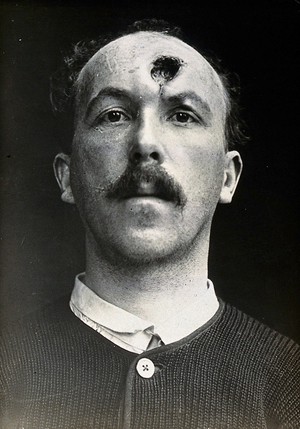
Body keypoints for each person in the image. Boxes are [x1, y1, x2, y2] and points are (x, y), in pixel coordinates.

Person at [0, 19, 299, 429]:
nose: (145, 144)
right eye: (115, 114)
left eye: (181, 115)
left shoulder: (290, 386)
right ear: (67, 176)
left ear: (226, 177)